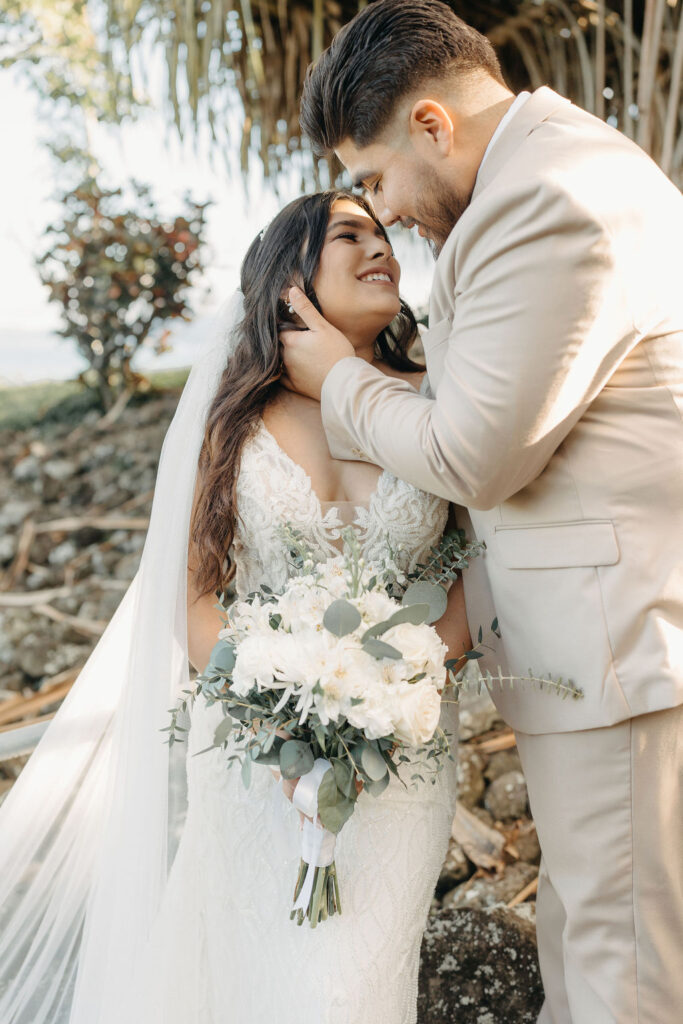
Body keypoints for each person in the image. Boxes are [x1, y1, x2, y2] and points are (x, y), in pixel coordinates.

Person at [280, 3, 683, 1023]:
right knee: (587, 940)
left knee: (623, 974)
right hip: (589, 653)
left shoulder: (547, 197)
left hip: (616, 650)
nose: (385, 212)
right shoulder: (534, 175)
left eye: (371, 178)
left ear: (430, 123)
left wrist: (335, 379)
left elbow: (471, 453)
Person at [0, 189, 471, 1024]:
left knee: (353, 986)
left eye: (384, 234)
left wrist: (391, 699)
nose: (382, 249)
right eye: (347, 234)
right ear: (291, 277)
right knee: (257, 980)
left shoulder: (437, 398)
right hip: (256, 754)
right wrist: (280, 709)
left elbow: (471, 572)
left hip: (401, 752)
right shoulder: (233, 418)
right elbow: (190, 596)